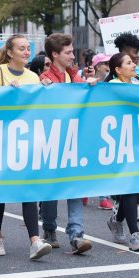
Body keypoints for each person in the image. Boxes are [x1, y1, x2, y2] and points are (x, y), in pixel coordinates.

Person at [0, 35, 54, 261]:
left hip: (26, 140)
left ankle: (34, 241)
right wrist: (7, 92)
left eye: (28, 49)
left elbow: (38, 110)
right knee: (0, 189)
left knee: (28, 189)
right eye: (21, 48)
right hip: (2, 139)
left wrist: (44, 92)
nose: (26, 52)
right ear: (10, 52)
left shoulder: (33, 76)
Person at [38, 33, 96, 255]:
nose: (73, 56)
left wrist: (91, 86)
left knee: (75, 184)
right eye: (68, 52)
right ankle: (50, 229)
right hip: (52, 141)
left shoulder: (76, 78)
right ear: (55, 54)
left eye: (73, 52)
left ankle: (76, 234)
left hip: (76, 139)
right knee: (52, 187)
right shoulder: (44, 78)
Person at [102, 52, 139, 251]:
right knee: (130, 185)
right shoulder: (114, 85)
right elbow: (135, 92)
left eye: (133, 62)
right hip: (117, 144)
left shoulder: (133, 84)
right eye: (129, 63)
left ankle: (117, 220)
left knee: (129, 186)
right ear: (117, 70)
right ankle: (135, 235)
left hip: (135, 143)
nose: (134, 65)